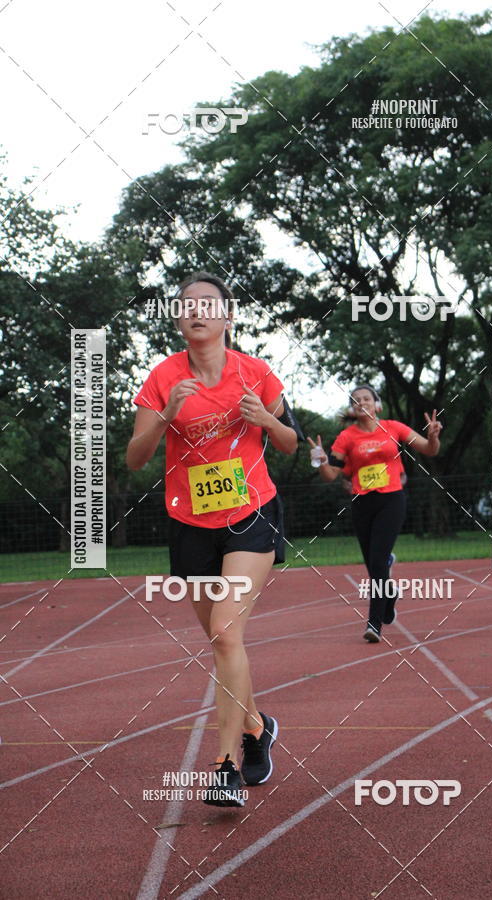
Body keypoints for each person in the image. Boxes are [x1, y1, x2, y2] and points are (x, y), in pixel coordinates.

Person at [126, 272, 300, 806]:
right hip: (190, 522)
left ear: (227, 318)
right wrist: (166, 419)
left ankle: (224, 767)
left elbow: (290, 445)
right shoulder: (162, 378)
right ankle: (256, 727)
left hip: (250, 514)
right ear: (178, 320)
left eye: (208, 304)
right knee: (223, 641)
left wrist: (268, 419)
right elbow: (135, 460)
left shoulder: (255, 372)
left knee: (225, 633)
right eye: (186, 305)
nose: (196, 311)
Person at [308, 385, 441, 642]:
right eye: (356, 400)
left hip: (391, 500)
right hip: (362, 503)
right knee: (373, 565)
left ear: (376, 405)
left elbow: (429, 449)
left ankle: (374, 623)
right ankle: (388, 596)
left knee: (378, 562)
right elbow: (330, 476)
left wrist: (433, 436)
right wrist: (321, 460)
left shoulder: (393, 427)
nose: (361, 402)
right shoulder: (346, 438)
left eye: (366, 398)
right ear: (352, 408)